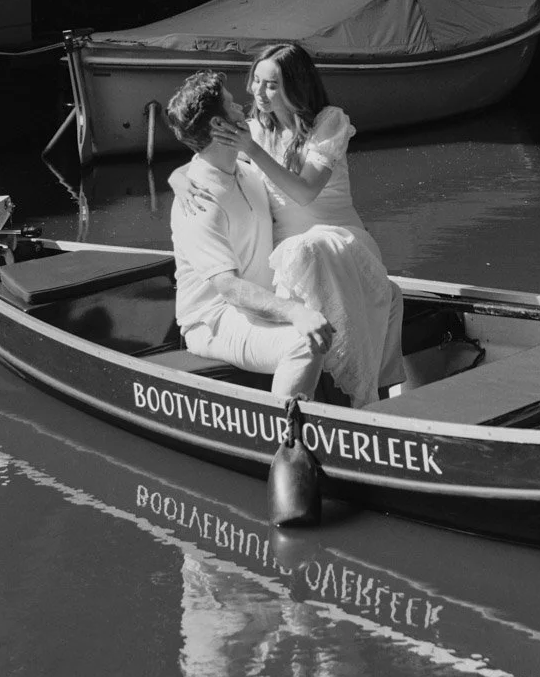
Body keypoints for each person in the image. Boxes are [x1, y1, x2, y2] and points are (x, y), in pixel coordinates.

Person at [171, 43, 406, 406]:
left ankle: (373, 399)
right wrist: (178, 179)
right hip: (289, 261)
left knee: (309, 248)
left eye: (271, 84)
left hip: (339, 241)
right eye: (256, 82)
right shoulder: (253, 131)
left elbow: (305, 192)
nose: (257, 93)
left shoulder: (328, 122)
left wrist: (252, 151)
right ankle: (307, 421)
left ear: (294, 86)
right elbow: (205, 152)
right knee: (298, 255)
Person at [164, 70, 332, 400]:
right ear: (218, 126)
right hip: (213, 321)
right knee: (305, 342)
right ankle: (286, 446)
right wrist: (296, 313)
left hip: (259, 304)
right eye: (230, 104)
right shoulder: (198, 203)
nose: (242, 107)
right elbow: (229, 288)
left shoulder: (247, 168)